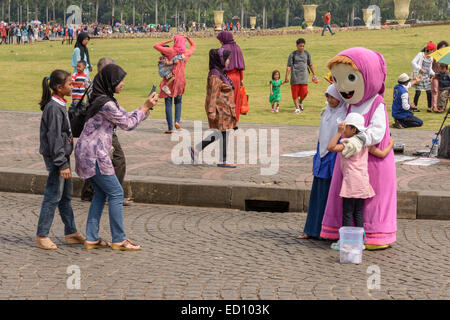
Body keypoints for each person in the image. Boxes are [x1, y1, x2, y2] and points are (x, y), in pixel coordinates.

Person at [75, 64, 158, 251]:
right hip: (95, 155)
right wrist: (145, 107)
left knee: (102, 193)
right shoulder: (107, 104)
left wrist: (146, 109)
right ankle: (119, 239)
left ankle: (91, 238)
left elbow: (125, 117)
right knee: (116, 193)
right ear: (111, 81)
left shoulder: (103, 99)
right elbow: (127, 124)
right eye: (120, 80)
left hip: (87, 152)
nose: (123, 83)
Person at [320, 47, 396, 250]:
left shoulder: (377, 103)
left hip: (372, 162)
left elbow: (378, 131)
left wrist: (359, 140)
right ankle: (345, 234)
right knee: (347, 203)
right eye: (337, 80)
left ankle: (373, 234)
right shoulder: (351, 105)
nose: (343, 87)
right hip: (348, 164)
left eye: (350, 78)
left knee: (371, 202)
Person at [36, 70, 85, 250]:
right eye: (70, 84)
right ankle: (42, 235)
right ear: (59, 87)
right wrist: (62, 163)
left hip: (62, 156)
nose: (73, 86)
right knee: (53, 195)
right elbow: (55, 137)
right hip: (58, 158)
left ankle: (71, 232)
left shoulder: (59, 104)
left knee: (65, 196)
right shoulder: (54, 108)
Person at [298, 84, 347, 239]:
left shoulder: (345, 114)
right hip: (322, 154)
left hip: (335, 155)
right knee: (318, 194)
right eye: (328, 96)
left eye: (333, 96)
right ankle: (312, 230)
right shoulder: (326, 112)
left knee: (331, 195)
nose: (331, 100)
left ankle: (330, 232)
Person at [326, 113, 375, 249]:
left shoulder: (349, 143)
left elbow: (330, 147)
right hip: (363, 181)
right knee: (358, 212)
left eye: (346, 127)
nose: (343, 129)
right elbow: (378, 152)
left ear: (353, 130)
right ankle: (359, 242)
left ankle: (346, 242)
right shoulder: (363, 143)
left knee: (347, 212)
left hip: (352, 182)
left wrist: (338, 133)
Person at [188, 48, 237, 168]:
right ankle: (223, 160)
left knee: (221, 133)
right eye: (226, 58)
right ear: (220, 60)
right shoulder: (215, 75)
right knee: (224, 133)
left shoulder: (220, 72)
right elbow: (212, 93)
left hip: (225, 109)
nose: (228, 60)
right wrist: (211, 111)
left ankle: (197, 149)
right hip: (220, 109)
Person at [153, 35, 196, 134]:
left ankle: (170, 128)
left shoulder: (171, 52)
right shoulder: (186, 54)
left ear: (175, 42)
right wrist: (188, 38)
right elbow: (193, 46)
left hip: (170, 80)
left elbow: (156, 45)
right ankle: (177, 121)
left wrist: (169, 40)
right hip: (181, 80)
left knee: (168, 102)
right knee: (178, 102)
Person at [217, 31, 246, 120]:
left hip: (226, 78)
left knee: (225, 100)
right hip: (237, 77)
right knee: (236, 100)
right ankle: (234, 120)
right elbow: (240, 66)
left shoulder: (222, 49)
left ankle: (226, 121)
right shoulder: (237, 48)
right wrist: (241, 79)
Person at [285, 38, 316, 114]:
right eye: (300, 46)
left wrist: (314, 73)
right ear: (296, 46)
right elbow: (289, 66)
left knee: (304, 92)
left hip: (304, 77)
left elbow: (310, 64)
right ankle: (297, 108)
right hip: (295, 77)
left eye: (303, 46)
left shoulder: (307, 54)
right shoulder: (292, 55)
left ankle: (300, 102)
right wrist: (286, 77)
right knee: (295, 94)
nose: (302, 47)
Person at [411, 41, 436, 113]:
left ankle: (429, 107)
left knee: (429, 92)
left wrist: (434, 74)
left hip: (426, 76)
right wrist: (419, 68)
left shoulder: (431, 58)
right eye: (433, 50)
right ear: (429, 50)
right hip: (419, 76)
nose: (433, 52)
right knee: (418, 92)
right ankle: (415, 106)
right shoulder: (420, 55)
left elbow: (429, 69)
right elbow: (413, 62)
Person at [431, 41, 448, 112]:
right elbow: (430, 66)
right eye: (441, 48)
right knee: (435, 90)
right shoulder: (435, 55)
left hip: (443, 77)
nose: (442, 50)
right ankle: (434, 106)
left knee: (443, 91)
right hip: (435, 75)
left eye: (444, 48)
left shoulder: (447, 56)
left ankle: (441, 106)